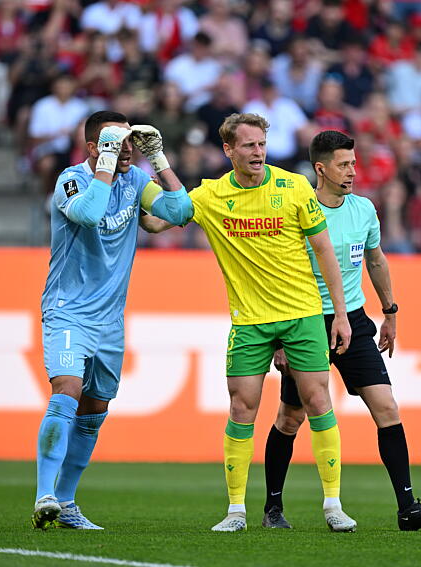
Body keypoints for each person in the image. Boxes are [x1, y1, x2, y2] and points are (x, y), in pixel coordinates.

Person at [168, 113, 356, 532]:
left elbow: (324, 250)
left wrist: (340, 314)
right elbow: (161, 217)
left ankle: (333, 505)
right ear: (228, 150)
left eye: (261, 144)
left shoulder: (293, 187)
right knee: (241, 408)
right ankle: (236, 511)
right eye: (249, 145)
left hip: (303, 315)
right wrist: (144, 180)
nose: (258, 152)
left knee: (318, 403)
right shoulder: (211, 195)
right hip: (250, 321)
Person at [261, 130, 421, 532]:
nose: (352, 172)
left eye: (353, 164)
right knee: (291, 419)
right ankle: (272, 507)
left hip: (354, 320)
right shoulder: (297, 210)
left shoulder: (363, 209)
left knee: (387, 408)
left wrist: (391, 312)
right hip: (303, 323)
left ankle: (407, 508)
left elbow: (376, 261)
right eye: (344, 165)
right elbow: (277, 274)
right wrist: (279, 338)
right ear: (320, 169)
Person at [32, 110, 191, 530]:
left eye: (129, 142)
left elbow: (180, 212)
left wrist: (159, 161)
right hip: (68, 309)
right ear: (92, 148)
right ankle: (44, 493)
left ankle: (65, 503)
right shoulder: (71, 180)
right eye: (115, 142)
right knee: (66, 390)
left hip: (110, 321)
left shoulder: (136, 180)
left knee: (94, 410)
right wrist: (104, 164)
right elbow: (86, 213)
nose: (126, 150)